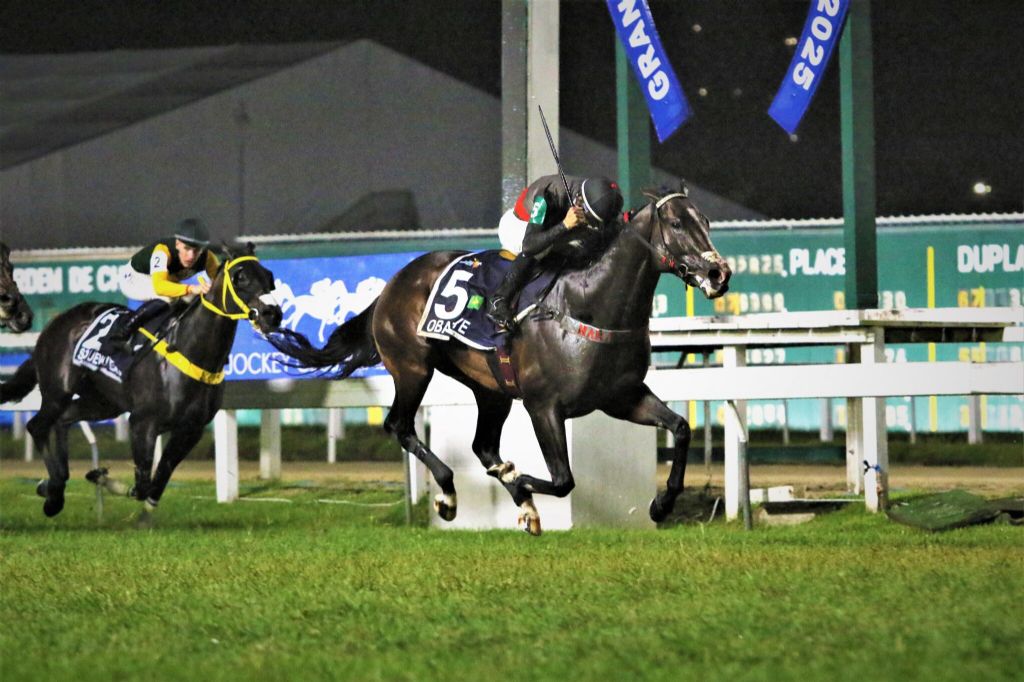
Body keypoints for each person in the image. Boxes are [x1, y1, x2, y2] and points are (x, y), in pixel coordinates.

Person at [487, 174, 623, 331]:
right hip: (519, 227)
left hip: (553, 226)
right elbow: (529, 245)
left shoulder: (597, 197)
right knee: (545, 248)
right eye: (590, 219)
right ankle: (499, 301)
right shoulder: (547, 196)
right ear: (580, 203)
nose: (592, 225)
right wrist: (565, 225)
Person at [102, 218, 219, 352]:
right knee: (168, 298)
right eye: (186, 248)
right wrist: (192, 288)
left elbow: (218, 286)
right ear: (177, 244)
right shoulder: (163, 251)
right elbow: (160, 287)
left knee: (190, 301)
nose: (191, 256)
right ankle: (123, 334)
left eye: (196, 250)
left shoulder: (208, 258)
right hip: (133, 278)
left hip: (163, 280)